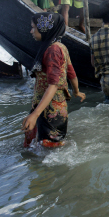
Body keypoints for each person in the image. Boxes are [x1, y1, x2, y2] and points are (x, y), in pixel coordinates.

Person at [22, 13, 85, 148]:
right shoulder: (60, 47)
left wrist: (34, 115)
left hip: (50, 109)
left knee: (48, 147)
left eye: (33, 28)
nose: (31, 31)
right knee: (49, 146)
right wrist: (76, 91)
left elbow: (53, 84)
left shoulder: (52, 50)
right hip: (52, 105)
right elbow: (71, 72)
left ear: (45, 29)